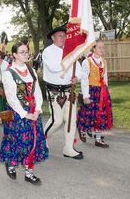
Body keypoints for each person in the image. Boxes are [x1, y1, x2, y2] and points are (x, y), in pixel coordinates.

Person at [0, 42, 48, 186]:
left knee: (32, 141)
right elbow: (11, 98)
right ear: (14, 55)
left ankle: (29, 173)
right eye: (22, 52)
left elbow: (37, 91)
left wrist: (38, 109)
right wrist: (25, 114)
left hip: (33, 112)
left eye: (27, 52)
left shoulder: (31, 70)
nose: (26, 54)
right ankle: (11, 164)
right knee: (17, 141)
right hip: (17, 114)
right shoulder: (9, 73)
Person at [42, 26, 83, 160]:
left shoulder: (72, 51)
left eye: (65, 36)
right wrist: (69, 58)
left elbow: (80, 71)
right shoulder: (48, 52)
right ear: (53, 38)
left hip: (69, 90)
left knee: (71, 121)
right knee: (57, 120)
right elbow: (54, 68)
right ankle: (41, 139)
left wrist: (77, 77)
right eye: (60, 36)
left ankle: (68, 148)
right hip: (54, 91)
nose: (63, 38)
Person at [77, 41, 113, 148]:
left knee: (100, 114)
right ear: (93, 49)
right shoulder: (87, 62)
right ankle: (82, 130)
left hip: (102, 91)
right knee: (88, 114)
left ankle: (98, 139)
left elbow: (105, 77)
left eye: (103, 47)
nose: (102, 49)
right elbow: (84, 80)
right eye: (99, 47)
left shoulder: (104, 61)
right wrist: (85, 95)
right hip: (91, 91)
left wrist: (107, 88)